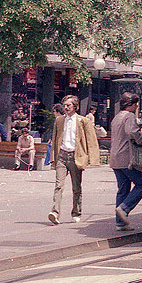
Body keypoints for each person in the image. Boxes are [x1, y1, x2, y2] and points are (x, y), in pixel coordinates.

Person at [48, 95, 99, 225]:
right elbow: (55, 140)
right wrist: (53, 158)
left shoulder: (83, 121)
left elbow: (91, 140)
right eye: (64, 105)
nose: (65, 107)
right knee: (58, 185)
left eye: (68, 105)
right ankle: (55, 212)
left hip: (76, 157)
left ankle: (76, 212)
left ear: (75, 106)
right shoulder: (59, 120)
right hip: (62, 156)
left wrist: (93, 159)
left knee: (76, 187)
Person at [111, 92, 142, 230]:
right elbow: (131, 133)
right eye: (136, 105)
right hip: (127, 158)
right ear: (132, 105)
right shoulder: (130, 116)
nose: (136, 107)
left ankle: (120, 223)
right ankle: (124, 208)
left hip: (115, 159)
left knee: (123, 189)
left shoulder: (117, 117)